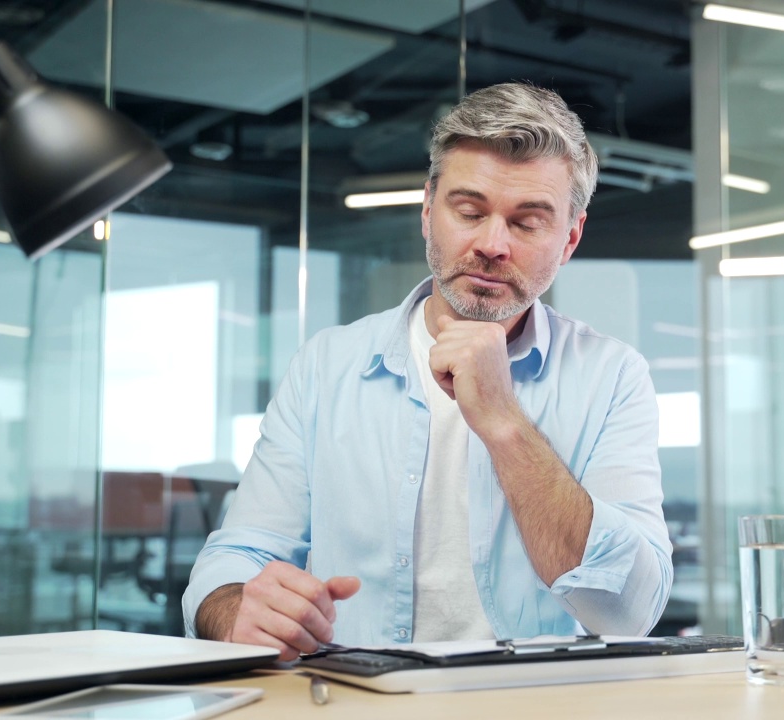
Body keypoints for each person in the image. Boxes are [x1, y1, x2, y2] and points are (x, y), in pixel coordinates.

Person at [183, 82, 672, 659]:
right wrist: (240, 611)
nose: (491, 244)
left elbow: (631, 610)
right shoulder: (328, 365)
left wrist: (502, 420)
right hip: (357, 702)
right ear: (426, 210)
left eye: (527, 222)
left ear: (569, 238)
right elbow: (234, 560)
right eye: (469, 211)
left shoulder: (611, 375)